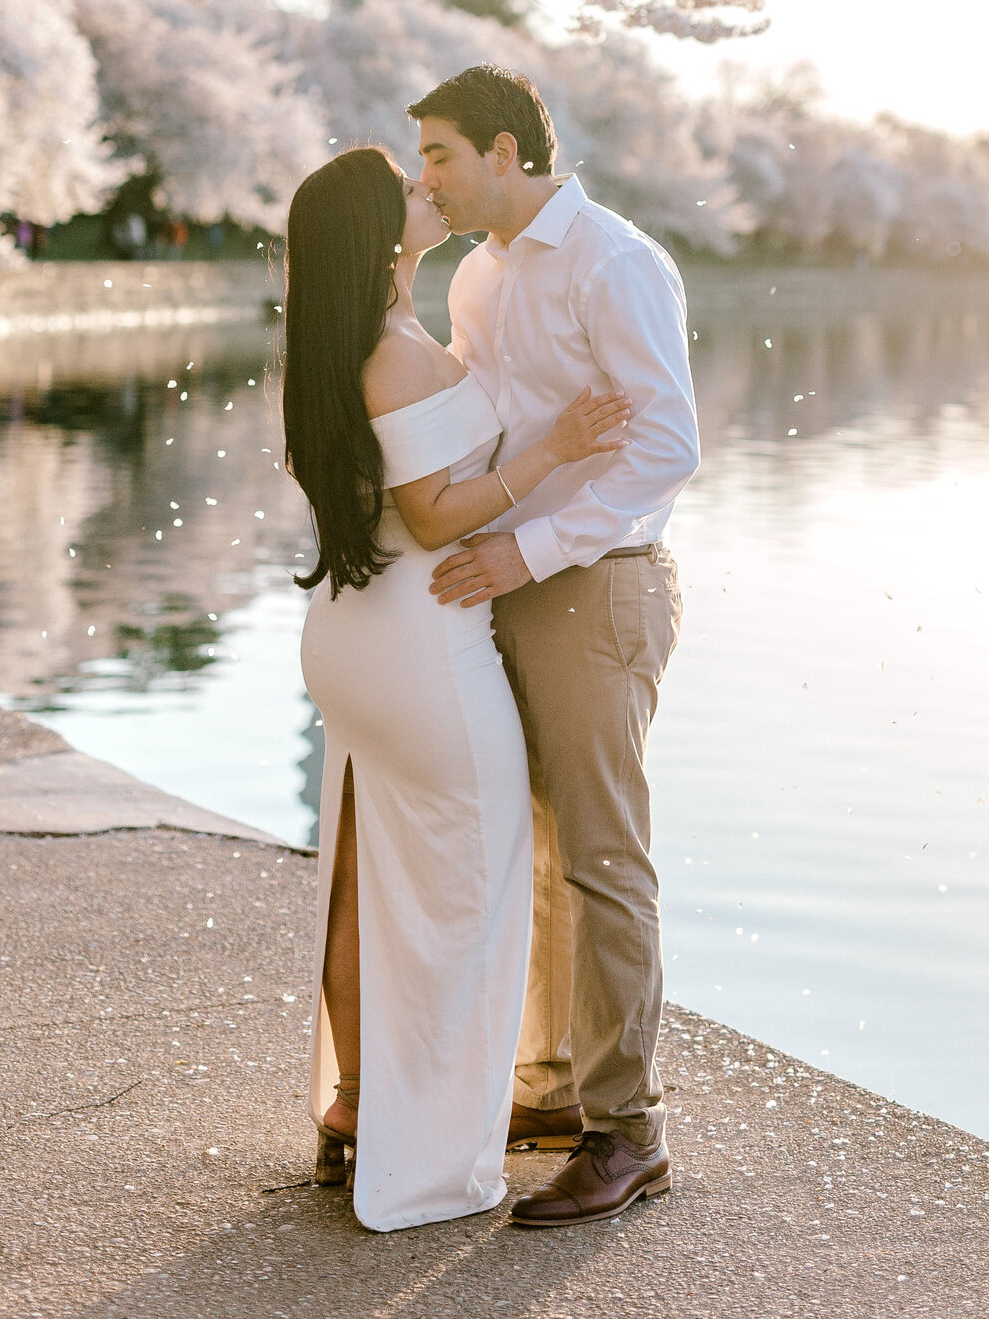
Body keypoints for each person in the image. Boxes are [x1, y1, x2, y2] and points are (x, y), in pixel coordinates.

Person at [286, 146, 630, 1231]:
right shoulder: (389, 352)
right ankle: (430, 1134)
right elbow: (436, 515)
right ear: (375, 235)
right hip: (424, 642)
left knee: (358, 874)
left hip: (354, 633)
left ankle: (355, 1105)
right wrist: (555, 450)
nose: (425, 189)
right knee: (469, 890)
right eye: (406, 186)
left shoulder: (344, 343)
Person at [410, 65, 698, 1228]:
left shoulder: (612, 260)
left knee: (602, 855)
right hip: (505, 587)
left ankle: (630, 1133)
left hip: (597, 586)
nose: (424, 176)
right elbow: (487, 433)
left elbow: (665, 447)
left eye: (438, 154)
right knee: (533, 851)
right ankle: (557, 1085)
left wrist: (526, 556)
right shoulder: (479, 274)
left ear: (503, 153)